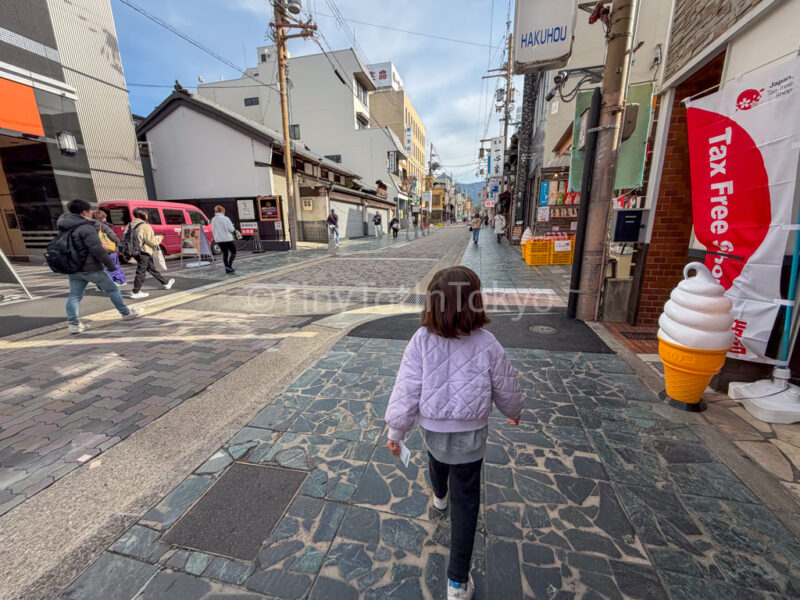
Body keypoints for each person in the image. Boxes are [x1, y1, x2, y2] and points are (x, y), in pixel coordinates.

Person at [384, 266, 522, 600]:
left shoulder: (421, 340)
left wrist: (396, 430)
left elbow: (406, 387)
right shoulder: (487, 343)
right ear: (475, 304)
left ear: (432, 304)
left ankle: (438, 496)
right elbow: (506, 383)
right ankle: (457, 582)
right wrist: (513, 411)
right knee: (467, 500)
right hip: (472, 435)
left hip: (433, 427)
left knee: (437, 462)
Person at [56, 200, 143, 333]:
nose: (91, 213)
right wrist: (111, 265)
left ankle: (73, 324)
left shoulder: (64, 226)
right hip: (91, 267)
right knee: (113, 289)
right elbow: (97, 249)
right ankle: (126, 313)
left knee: (74, 295)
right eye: (90, 211)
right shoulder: (86, 227)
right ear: (85, 211)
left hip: (73, 267)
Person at [128, 208, 174, 299]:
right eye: (147, 214)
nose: (147, 216)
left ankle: (165, 283)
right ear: (144, 215)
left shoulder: (131, 224)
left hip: (134, 250)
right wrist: (159, 238)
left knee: (151, 268)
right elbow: (151, 241)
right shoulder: (145, 226)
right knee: (141, 272)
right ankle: (136, 291)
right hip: (143, 251)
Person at [91, 209, 125, 286]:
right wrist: (119, 243)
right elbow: (112, 236)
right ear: (102, 217)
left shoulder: (88, 226)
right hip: (109, 250)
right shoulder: (103, 225)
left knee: (102, 269)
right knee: (114, 266)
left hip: (97, 251)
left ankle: (103, 284)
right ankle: (119, 281)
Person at [211, 205, 237, 273]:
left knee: (225, 253)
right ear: (222, 211)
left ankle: (227, 268)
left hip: (219, 240)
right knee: (233, 252)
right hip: (227, 239)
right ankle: (229, 265)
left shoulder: (213, 219)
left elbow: (213, 229)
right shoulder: (225, 218)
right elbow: (231, 229)